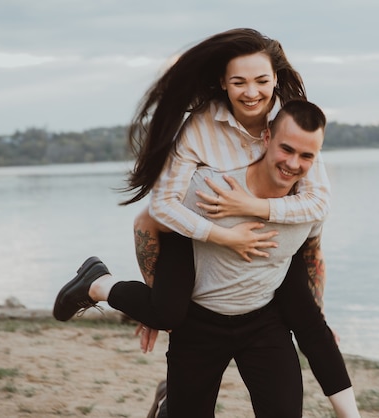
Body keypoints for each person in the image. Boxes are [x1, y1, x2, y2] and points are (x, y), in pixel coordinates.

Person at [54, 101, 360, 417]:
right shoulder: (211, 186)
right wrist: (154, 301)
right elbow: (148, 222)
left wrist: (319, 313)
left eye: (307, 156)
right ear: (266, 138)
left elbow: (312, 254)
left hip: (263, 322)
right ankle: (99, 285)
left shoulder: (310, 205)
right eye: (287, 149)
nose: (294, 163)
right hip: (199, 321)